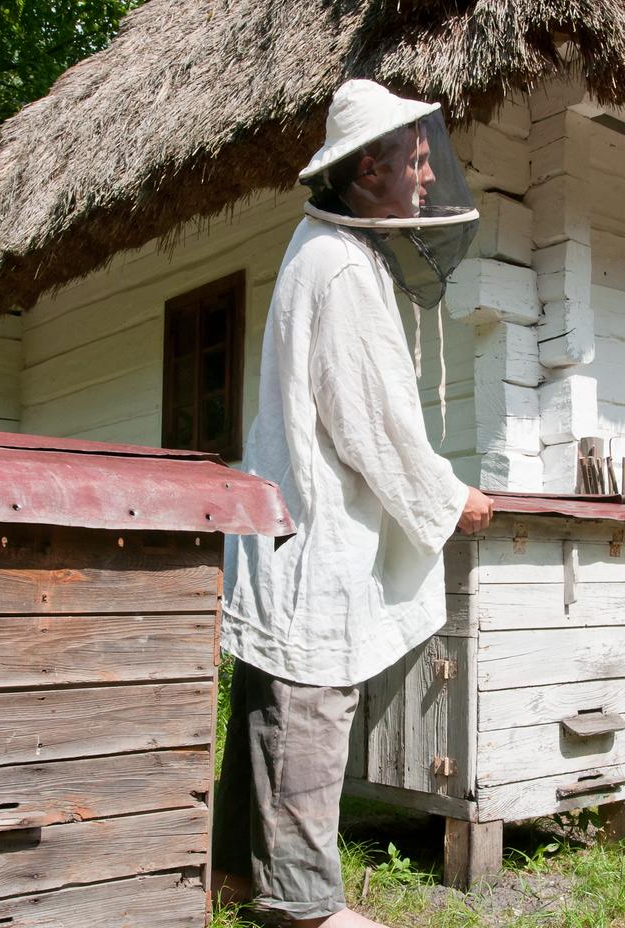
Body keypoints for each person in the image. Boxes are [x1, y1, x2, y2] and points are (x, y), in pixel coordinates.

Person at [211, 79, 494, 927]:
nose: (423, 178)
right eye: (411, 161)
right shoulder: (337, 266)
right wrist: (452, 501)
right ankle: (301, 907)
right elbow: (376, 426)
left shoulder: (322, 252)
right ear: (365, 168)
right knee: (306, 713)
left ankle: (232, 878)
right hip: (312, 540)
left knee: (268, 709)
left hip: (293, 534)